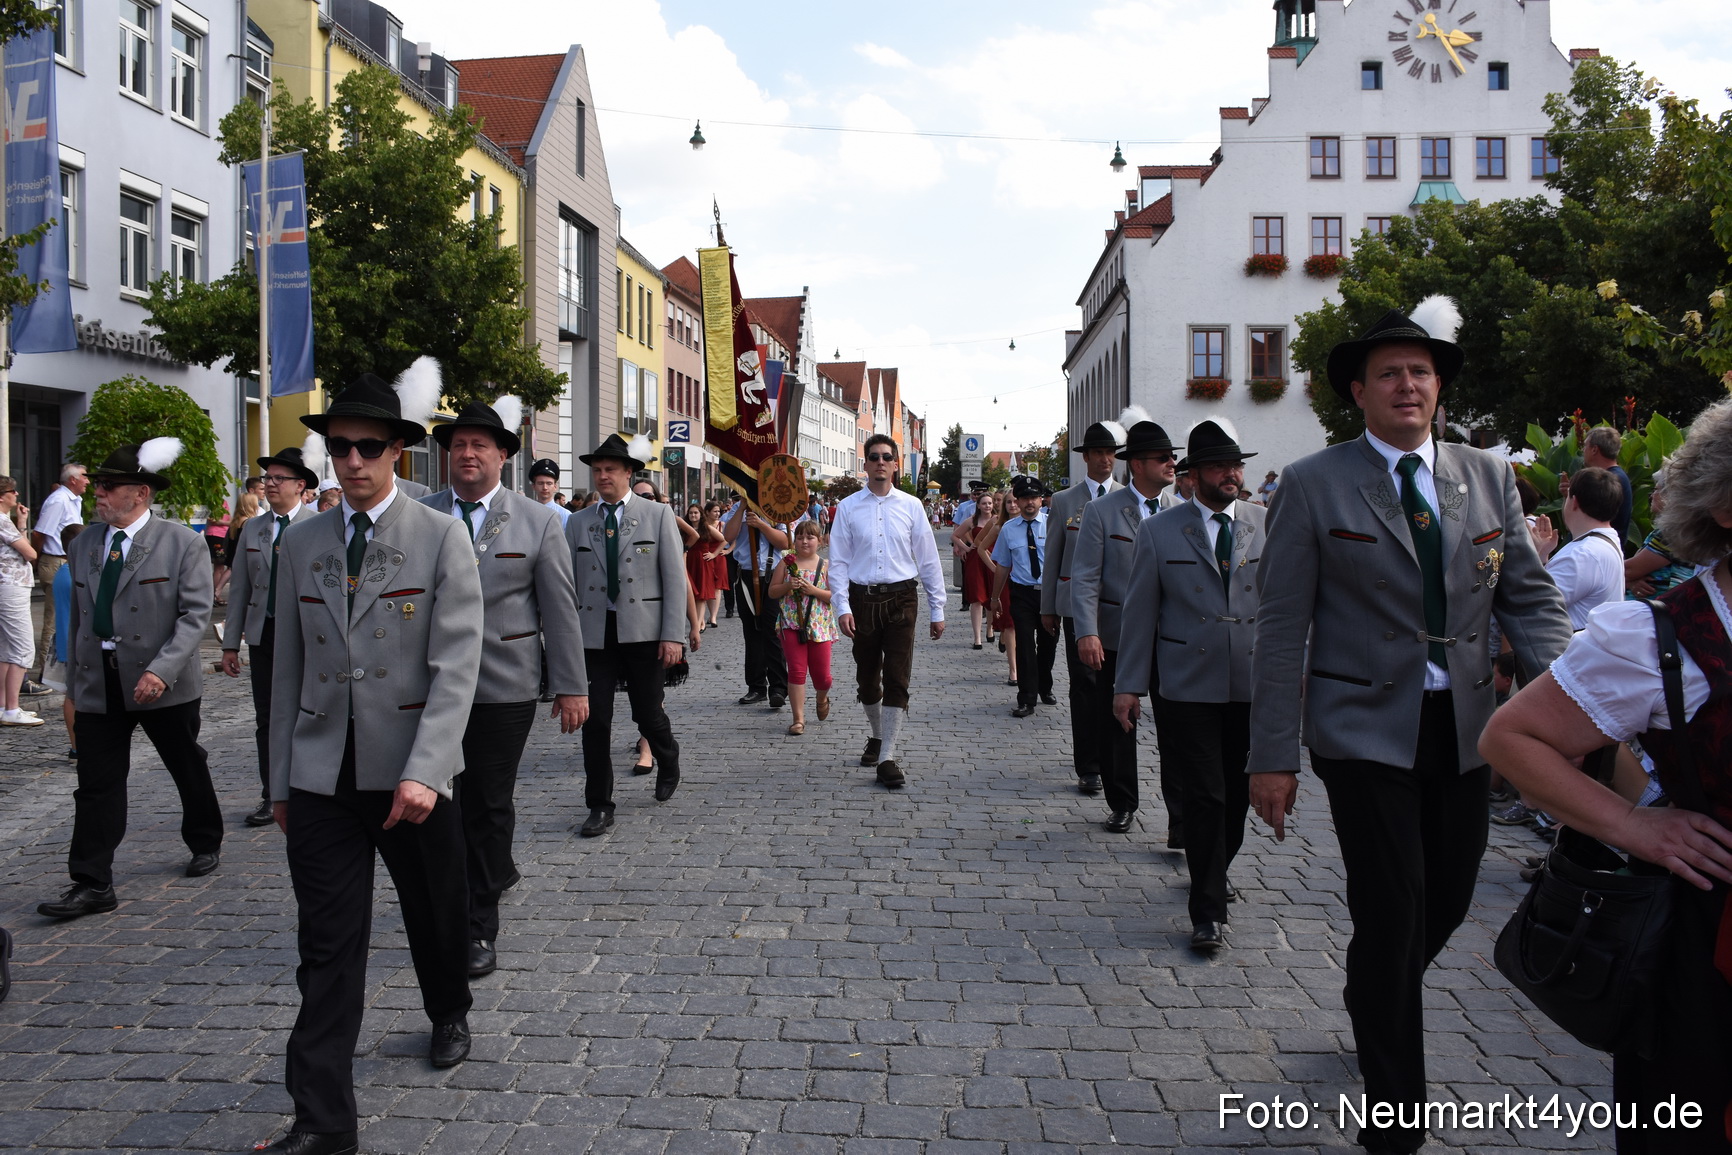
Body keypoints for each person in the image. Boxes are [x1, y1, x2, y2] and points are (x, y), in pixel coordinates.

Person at [1246, 300, 1571, 1155]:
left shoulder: (1485, 476)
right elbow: (1283, 626)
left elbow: (1528, 599)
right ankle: (1396, 1120)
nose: (1408, 385)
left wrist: (1578, 699)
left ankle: (1371, 992)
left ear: (1438, 387)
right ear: (1359, 390)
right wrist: (1272, 757)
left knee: (1450, 896)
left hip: (1466, 725)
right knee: (1393, 909)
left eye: (1421, 371)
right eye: (1389, 372)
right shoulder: (1316, 483)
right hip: (1360, 729)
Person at [1480, 397, 1732, 1155]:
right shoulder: (1663, 636)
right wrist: (1633, 826)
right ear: (1723, 505)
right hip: (1704, 954)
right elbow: (1512, 735)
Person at [257, 374, 485, 1155]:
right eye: (338, 446)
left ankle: (448, 1005)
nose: (350, 461)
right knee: (326, 944)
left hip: (410, 769)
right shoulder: (301, 541)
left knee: (435, 910)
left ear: (397, 452)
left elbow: (457, 666)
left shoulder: (438, 535)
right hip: (322, 773)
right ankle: (323, 1120)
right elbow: (285, 666)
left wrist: (428, 769)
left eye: (367, 447)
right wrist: (280, 777)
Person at [425, 399, 588, 979]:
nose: (467, 454)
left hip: (505, 683)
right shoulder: (424, 514)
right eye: (458, 445)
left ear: (502, 457)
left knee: (488, 803)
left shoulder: (538, 519)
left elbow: (559, 607)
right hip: (432, 685)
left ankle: (478, 925)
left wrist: (571, 685)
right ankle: (473, 879)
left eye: (480, 446)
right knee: (440, 800)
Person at [38, 439, 222, 920]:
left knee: (186, 764)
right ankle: (92, 881)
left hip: (161, 681)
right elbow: (77, 618)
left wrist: (162, 671)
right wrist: (70, 682)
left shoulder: (181, 542)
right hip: (100, 681)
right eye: (96, 484)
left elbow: (194, 615)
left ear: (139, 493)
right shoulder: (82, 545)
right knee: (95, 783)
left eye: (108, 486)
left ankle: (205, 839)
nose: (97, 493)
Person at [1113, 420, 1267, 951]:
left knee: (1237, 795)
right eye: (1222, 466)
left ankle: (1216, 866)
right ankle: (1206, 908)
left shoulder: (1265, 524)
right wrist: (1128, 685)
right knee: (1204, 794)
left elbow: (1286, 608)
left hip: (1250, 683)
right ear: (1193, 474)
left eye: (1237, 465)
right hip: (1185, 685)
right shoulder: (1160, 531)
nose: (1233, 474)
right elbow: (1140, 614)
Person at [566, 433, 686, 838]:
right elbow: (567, 583)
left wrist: (674, 635)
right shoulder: (579, 522)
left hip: (644, 632)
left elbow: (673, 578)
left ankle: (667, 757)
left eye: (610, 470)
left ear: (628, 473)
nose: (602, 476)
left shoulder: (655, 515)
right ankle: (599, 804)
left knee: (646, 713)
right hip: (595, 633)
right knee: (595, 719)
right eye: (597, 470)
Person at [1073, 415, 1181, 832]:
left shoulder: (1181, 510)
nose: (1172, 464)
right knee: (1118, 722)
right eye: (1162, 458)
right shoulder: (1102, 511)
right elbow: (1085, 576)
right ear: (1136, 464)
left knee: (1177, 730)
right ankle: (1123, 801)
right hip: (1116, 635)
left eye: (1173, 457)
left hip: (1172, 639)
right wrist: (1087, 630)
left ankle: (1181, 818)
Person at [829, 433, 947, 789]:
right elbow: (837, 562)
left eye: (887, 457)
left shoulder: (912, 506)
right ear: (865, 464)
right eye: (874, 457)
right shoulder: (848, 507)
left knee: (898, 677)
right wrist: (842, 606)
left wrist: (937, 607)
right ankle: (878, 734)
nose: (881, 462)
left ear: (896, 464)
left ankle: (887, 757)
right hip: (862, 600)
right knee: (868, 679)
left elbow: (928, 559)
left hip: (901, 599)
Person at [221, 446, 320, 827]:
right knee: (268, 717)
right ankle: (271, 791)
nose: (270, 485)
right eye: (267, 478)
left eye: (279, 479)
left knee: (308, 711)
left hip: (309, 636)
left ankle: (309, 786)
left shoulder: (318, 524)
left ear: (300, 486)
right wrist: (231, 643)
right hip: (265, 635)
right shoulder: (252, 528)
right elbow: (241, 591)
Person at [1042, 417, 1124, 792]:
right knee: (1084, 685)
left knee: (1119, 684)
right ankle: (1089, 765)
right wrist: (1048, 607)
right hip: (1077, 606)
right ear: (1086, 457)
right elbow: (1054, 557)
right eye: (1098, 453)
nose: (1105, 459)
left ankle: (1117, 760)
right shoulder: (1065, 501)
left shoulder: (1127, 498)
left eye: (1110, 452)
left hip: (1121, 608)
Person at [723, 496, 800, 708]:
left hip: (773, 575)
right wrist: (742, 510)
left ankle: (778, 687)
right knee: (751, 632)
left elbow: (785, 542)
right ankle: (756, 686)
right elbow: (728, 536)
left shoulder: (780, 506)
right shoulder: (738, 507)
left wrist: (760, 524)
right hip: (746, 575)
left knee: (774, 630)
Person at [990, 476, 1057, 717]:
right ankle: (1026, 698)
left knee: (1048, 645)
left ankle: (1045, 687)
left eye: (1034, 497)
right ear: (1017, 501)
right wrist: (994, 597)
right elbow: (1003, 565)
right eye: (1025, 498)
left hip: (1049, 594)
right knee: (1025, 646)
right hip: (1022, 594)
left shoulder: (1052, 525)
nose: (1030, 502)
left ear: (1041, 500)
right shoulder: (1008, 529)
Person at [768, 519, 837, 736]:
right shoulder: (787, 564)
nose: (804, 542)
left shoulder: (826, 566)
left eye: (810, 537)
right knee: (797, 671)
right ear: (794, 541)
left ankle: (822, 697)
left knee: (822, 676)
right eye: (800, 538)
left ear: (820, 541)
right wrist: (789, 586)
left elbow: (835, 596)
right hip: (791, 624)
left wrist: (813, 591)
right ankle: (798, 719)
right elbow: (772, 592)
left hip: (819, 626)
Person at [1542, 466, 1626, 630]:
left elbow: (1530, 602)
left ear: (1574, 502)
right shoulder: (1605, 541)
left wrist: (1533, 556)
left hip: (1568, 651)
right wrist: (1543, 556)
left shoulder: (1581, 555)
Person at [29, 461, 87, 692]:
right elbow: (39, 532)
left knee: (67, 615)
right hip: (56, 560)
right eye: (84, 476)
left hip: (67, 559)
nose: (88, 480)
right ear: (72, 479)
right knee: (55, 619)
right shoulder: (59, 500)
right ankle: (48, 670)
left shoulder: (72, 500)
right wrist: (37, 558)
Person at [0, 477, 42, 726]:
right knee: (23, 647)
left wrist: (22, 522)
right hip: (11, 585)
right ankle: (13, 708)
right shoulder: (2, 522)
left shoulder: (7, 522)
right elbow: (30, 552)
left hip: (9, 584)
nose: (16, 494)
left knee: (6, 648)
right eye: (11, 491)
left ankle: (5, 706)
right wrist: (20, 527)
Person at [44, 523, 85, 757]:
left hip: (68, 641)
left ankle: (77, 746)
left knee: (73, 695)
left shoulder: (65, 571)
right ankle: (77, 746)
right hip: (74, 642)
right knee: (74, 697)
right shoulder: (74, 575)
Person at [1625, 468, 1694, 599]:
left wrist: (1629, 578)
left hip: (1659, 612)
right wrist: (1631, 580)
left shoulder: (1672, 534)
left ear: (1670, 496)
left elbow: (1629, 570)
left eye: (1656, 490)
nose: (1652, 495)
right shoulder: (1678, 530)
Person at [977, 493, 1018, 683]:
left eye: (1015, 501)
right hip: (1005, 580)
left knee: (1019, 625)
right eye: (1008, 502)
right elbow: (981, 547)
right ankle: (1014, 670)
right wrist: (995, 568)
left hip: (1026, 580)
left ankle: (1003, 640)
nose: (1012, 505)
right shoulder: (1000, 526)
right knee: (1009, 623)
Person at [1579, 425, 1633, 551]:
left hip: (1596, 551)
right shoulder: (1619, 477)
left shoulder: (1606, 481)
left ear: (1594, 450)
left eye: (1585, 446)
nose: (1583, 450)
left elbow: (1584, 519)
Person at [955, 492, 998, 647]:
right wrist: (966, 547)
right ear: (978, 505)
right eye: (984, 503)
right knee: (977, 599)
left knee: (993, 596)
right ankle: (977, 638)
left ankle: (990, 629)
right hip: (975, 561)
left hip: (993, 558)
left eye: (990, 503)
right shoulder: (972, 520)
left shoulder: (998, 520)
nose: (987, 506)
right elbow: (955, 536)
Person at [688, 501, 725, 629]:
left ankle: (698, 625)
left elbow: (723, 540)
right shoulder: (685, 527)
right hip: (689, 561)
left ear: (701, 514)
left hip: (703, 562)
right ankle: (701, 621)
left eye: (696, 513)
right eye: (691, 513)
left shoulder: (706, 527)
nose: (693, 515)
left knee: (702, 594)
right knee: (691, 593)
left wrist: (714, 554)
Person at [526, 458, 571, 528]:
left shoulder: (565, 515)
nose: (545, 487)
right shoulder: (526, 513)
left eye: (549, 483)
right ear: (533, 486)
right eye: (540, 483)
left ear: (555, 486)